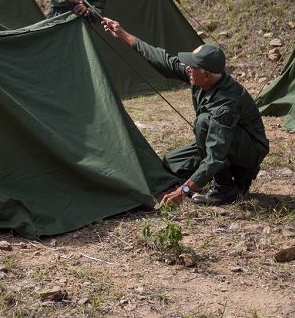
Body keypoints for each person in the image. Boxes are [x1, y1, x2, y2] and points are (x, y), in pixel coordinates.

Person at [102, 18, 269, 206]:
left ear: (206, 73)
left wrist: (185, 190)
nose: (187, 68)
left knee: (204, 123)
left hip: (247, 151)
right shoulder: (201, 77)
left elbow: (216, 155)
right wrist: (122, 34)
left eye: (192, 66)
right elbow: (163, 59)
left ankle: (227, 189)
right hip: (222, 140)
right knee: (172, 163)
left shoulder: (227, 103)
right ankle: (213, 177)